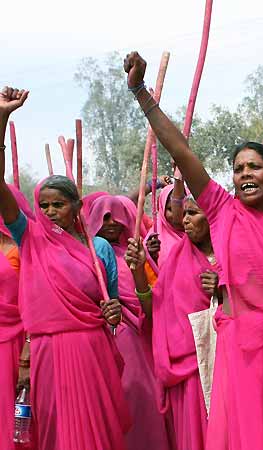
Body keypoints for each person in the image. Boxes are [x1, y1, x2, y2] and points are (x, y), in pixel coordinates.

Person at [124, 51, 263, 450]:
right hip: (238, 350)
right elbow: (181, 151)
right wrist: (140, 92)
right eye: (238, 169)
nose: (245, 174)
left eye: (255, 167)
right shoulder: (220, 210)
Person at [0, 86, 130, 450]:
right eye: (44, 205)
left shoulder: (100, 247)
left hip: (92, 349)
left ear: (77, 207)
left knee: (98, 433)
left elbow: (114, 310)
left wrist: (113, 311)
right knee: (56, 432)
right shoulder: (30, 238)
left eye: (58, 204)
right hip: (47, 352)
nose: (50, 211)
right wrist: (2, 120)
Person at [125, 195, 219, 450]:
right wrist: (138, 272)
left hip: (226, 365)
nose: (185, 220)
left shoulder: (233, 252)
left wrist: (222, 291)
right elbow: (155, 312)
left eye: (193, 213)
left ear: (213, 215)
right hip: (188, 370)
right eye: (184, 214)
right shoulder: (177, 259)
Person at [87, 195, 172, 450]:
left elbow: (156, 293)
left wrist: (148, 261)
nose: (112, 223)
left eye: (117, 217)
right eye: (104, 218)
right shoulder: (88, 254)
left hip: (142, 334)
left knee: (145, 397)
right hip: (112, 333)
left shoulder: (137, 253)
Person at [0, 185, 32, 449]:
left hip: (16, 341)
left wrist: (28, 350)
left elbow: (35, 300)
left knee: (17, 415)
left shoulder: (23, 249)